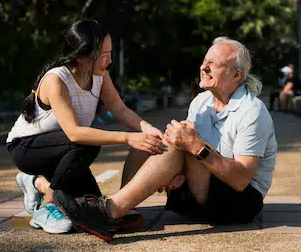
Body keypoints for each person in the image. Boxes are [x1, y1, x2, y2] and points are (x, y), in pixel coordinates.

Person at [52, 37, 278, 242]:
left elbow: (241, 179)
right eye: (204, 61)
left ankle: (109, 211)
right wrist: (177, 172)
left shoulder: (252, 111)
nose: (203, 67)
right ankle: (123, 215)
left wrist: (196, 147)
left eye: (213, 64)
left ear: (236, 75)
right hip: (199, 193)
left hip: (240, 202)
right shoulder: (201, 102)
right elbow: (187, 154)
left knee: (176, 147)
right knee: (150, 139)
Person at [6, 18, 165, 234]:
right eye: (104, 55)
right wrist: (127, 138)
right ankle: (46, 206)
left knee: (90, 205)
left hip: (65, 151)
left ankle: (37, 183)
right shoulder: (56, 80)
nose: (109, 60)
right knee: (87, 144)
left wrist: (146, 128)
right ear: (81, 56)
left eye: (111, 53)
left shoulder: (99, 75)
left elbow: (119, 109)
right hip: (26, 148)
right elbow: (74, 133)